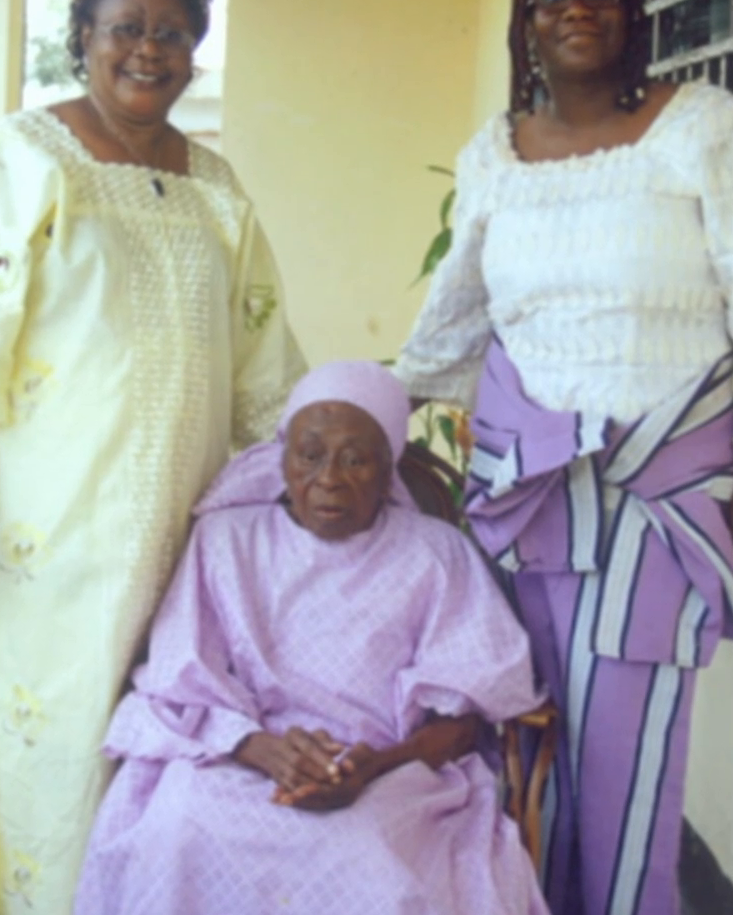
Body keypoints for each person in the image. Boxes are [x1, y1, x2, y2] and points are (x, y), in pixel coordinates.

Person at [392, 0, 733, 915]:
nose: (575, 7)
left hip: (655, 493)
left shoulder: (700, 126)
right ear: (528, 22)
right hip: (527, 488)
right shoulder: (495, 153)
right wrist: (371, 421)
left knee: (627, 757)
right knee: (520, 736)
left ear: (632, 11)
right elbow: (456, 314)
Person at [0, 0, 308, 913]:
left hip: (186, 519)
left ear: (195, 54)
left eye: (172, 32)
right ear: (83, 38)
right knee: (59, 722)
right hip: (50, 522)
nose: (148, 49)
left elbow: (261, 355)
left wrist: (291, 479)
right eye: (126, 28)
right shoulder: (28, 155)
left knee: (169, 718)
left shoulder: (216, 185)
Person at [72, 361, 549, 915]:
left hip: (388, 773)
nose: (329, 479)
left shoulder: (436, 553)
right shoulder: (225, 541)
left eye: (355, 459)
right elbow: (180, 682)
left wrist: (374, 766)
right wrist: (261, 749)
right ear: (282, 459)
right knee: (177, 829)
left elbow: (464, 722)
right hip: (237, 755)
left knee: (368, 859)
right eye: (310, 455)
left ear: (387, 469)